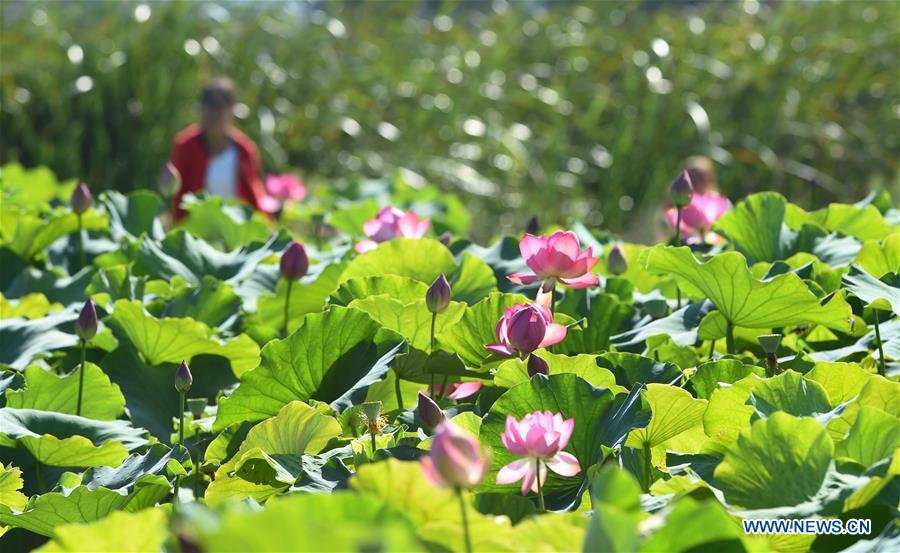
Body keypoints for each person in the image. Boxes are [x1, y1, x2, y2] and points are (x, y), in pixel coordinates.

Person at [168, 78, 266, 220]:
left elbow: (255, 196)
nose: (214, 112)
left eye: (220, 105)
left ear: (232, 110)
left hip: (236, 228)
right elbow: (179, 197)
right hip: (196, 229)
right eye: (209, 104)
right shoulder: (185, 145)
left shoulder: (245, 149)